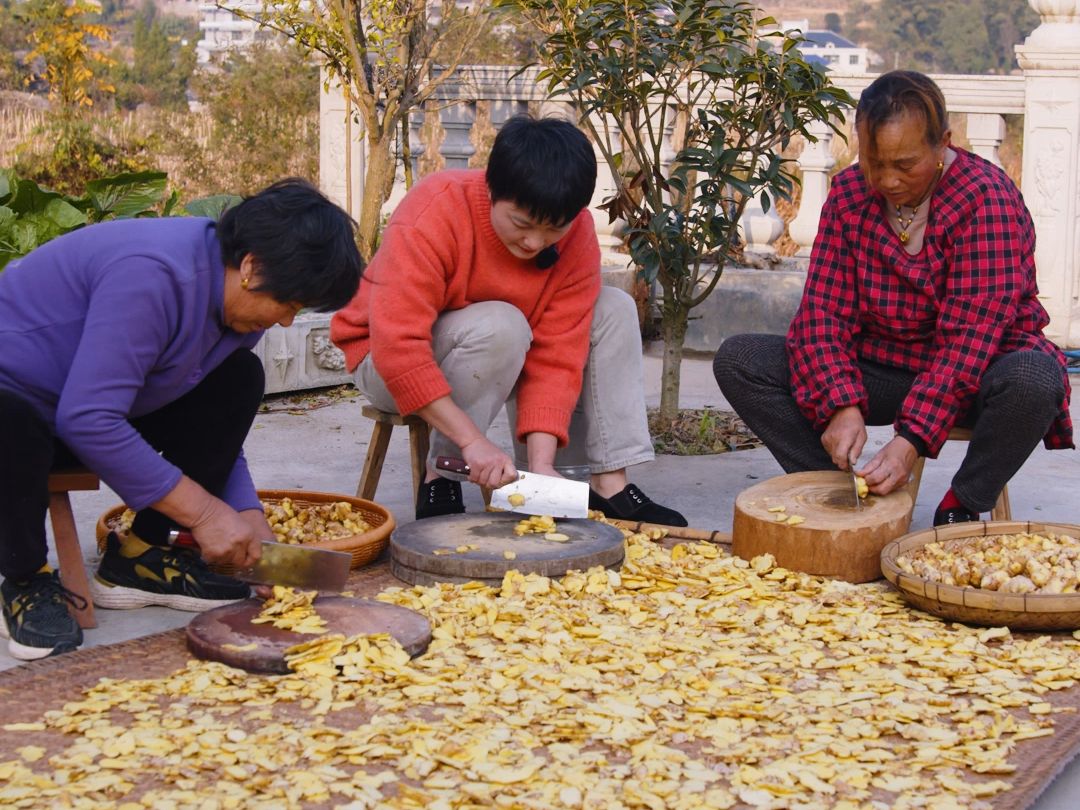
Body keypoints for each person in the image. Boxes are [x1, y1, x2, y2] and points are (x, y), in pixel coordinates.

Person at [0, 178, 364, 660]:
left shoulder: (238, 308)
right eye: (290, 306)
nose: (285, 323)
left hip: (87, 407)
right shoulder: (153, 274)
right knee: (10, 420)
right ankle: (25, 578)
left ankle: (140, 558)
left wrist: (249, 519)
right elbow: (89, 419)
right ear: (253, 267)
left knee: (237, 379)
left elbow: (215, 432)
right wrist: (206, 515)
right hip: (23, 406)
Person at [713, 70, 1072, 526]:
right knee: (741, 359)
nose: (887, 180)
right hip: (883, 365)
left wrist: (910, 440)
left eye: (905, 165)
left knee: (1037, 380)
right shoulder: (846, 195)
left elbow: (970, 341)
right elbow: (822, 314)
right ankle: (840, 498)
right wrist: (840, 403)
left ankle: (961, 504)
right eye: (874, 162)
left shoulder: (987, 199)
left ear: (942, 143)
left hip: (978, 372)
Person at [331, 115, 686, 527]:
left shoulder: (576, 235)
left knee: (613, 309)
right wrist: (472, 443)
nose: (535, 242)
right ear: (491, 190)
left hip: (504, 346)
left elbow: (557, 354)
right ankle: (441, 474)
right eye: (521, 224)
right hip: (386, 362)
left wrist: (541, 467)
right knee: (503, 324)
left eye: (553, 229)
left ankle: (608, 484)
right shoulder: (436, 209)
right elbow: (398, 348)